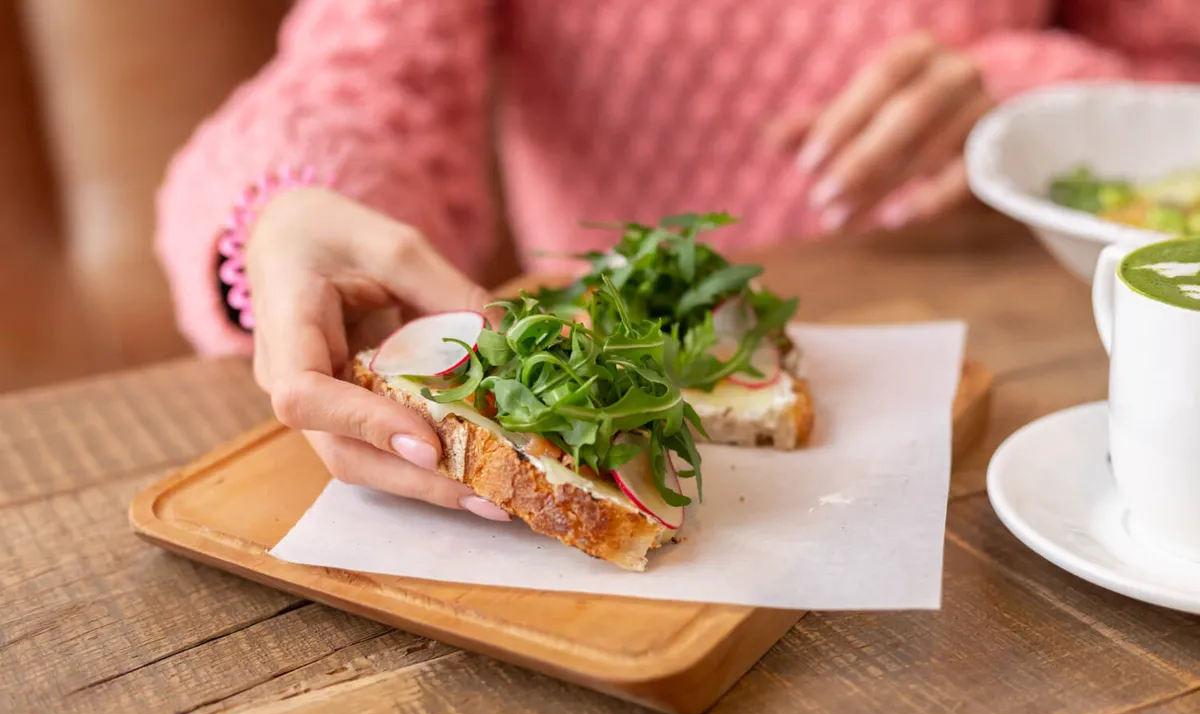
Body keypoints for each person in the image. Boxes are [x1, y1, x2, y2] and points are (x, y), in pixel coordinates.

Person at [156, 0, 1199, 519]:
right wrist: (283, 207)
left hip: (1059, 352)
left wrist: (1034, 112)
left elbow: (1172, 58)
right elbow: (359, 73)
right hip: (590, 319)